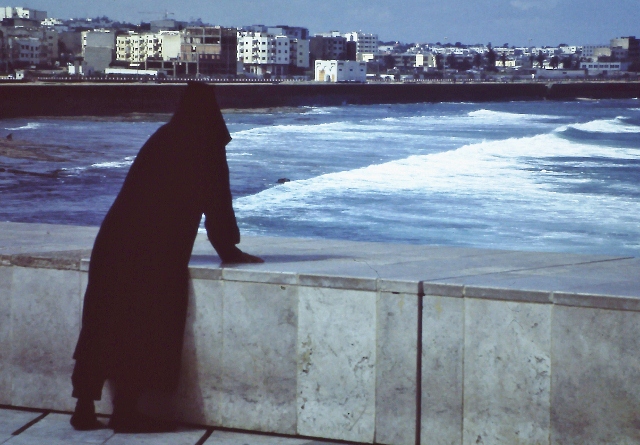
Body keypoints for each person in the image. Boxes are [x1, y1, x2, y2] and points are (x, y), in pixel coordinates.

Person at [70, 82, 263, 432]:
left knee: (100, 321)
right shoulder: (206, 142)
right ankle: (126, 412)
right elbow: (217, 201)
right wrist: (228, 248)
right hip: (153, 249)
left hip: (113, 241)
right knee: (142, 325)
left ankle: (84, 407)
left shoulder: (163, 136)